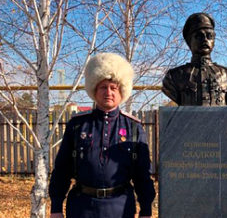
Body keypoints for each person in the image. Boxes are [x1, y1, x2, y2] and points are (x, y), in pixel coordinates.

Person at [49, 53, 155, 218]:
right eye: (103, 87)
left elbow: (142, 174)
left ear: (122, 91)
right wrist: (56, 208)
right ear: (94, 89)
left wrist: (146, 211)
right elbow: (62, 169)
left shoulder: (133, 127)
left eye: (113, 87)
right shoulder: (77, 125)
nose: (108, 92)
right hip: (81, 208)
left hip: (120, 208)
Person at [162, 12, 227, 106]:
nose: (205, 40)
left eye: (209, 36)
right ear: (189, 41)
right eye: (199, 36)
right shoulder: (174, 76)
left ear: (214, 41)